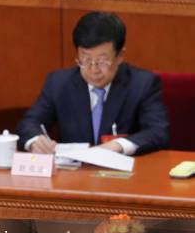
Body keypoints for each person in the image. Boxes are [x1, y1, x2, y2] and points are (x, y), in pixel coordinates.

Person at [16, 11, 169, 155]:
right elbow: (29, 123)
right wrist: (35, 140)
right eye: (86, 59)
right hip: (73, 177)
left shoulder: (142, 84)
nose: (94, 69)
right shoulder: (59, 83)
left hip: (122, 177)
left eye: (102, 60)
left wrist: (119, 145)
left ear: (120, 56)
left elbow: (158, 132)